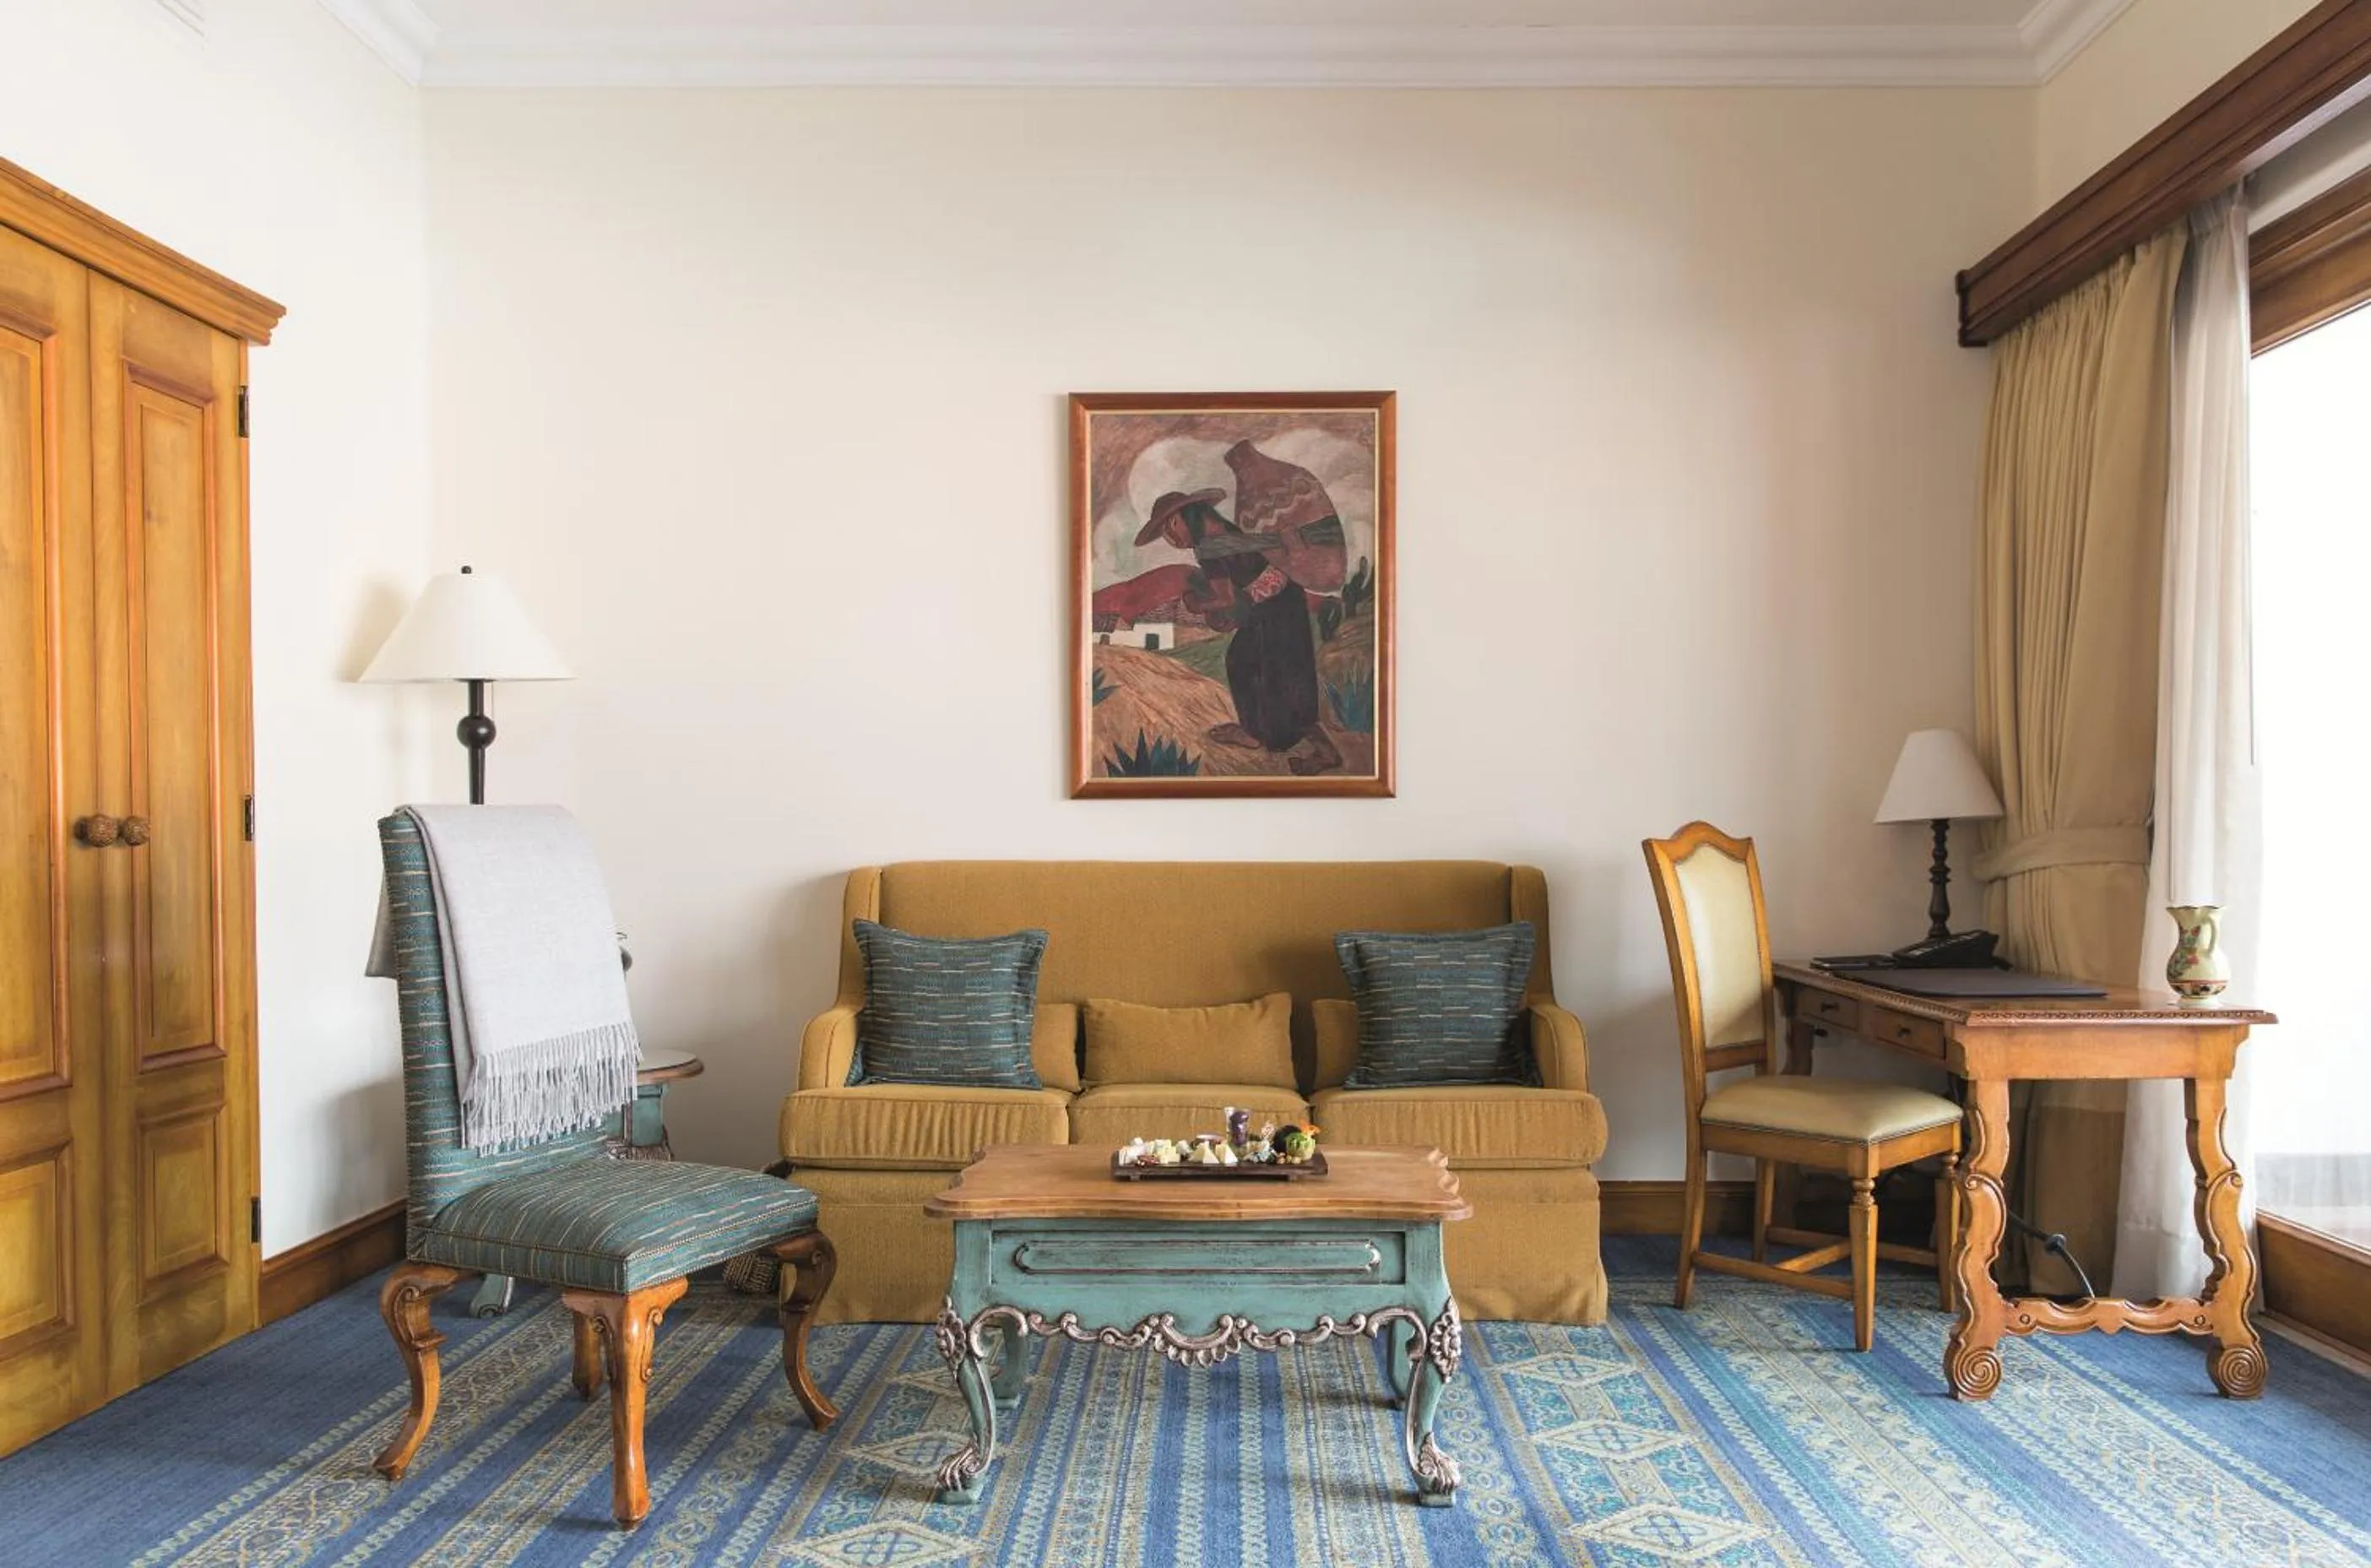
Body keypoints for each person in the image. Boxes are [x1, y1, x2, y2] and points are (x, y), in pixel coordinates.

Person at [1135, 483, 1343, 775]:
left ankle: (1318, 750)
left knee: (1271, 673)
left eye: (1169, 530)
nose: (1170, 538)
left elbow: (1225, 598)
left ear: (1177, 519)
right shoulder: (1224, 529)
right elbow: (1245, 586)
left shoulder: (1208, 547)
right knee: (1258, 666)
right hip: (1279, 603)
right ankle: (1258, 732)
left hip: (1278, 608)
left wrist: (1195, 605)